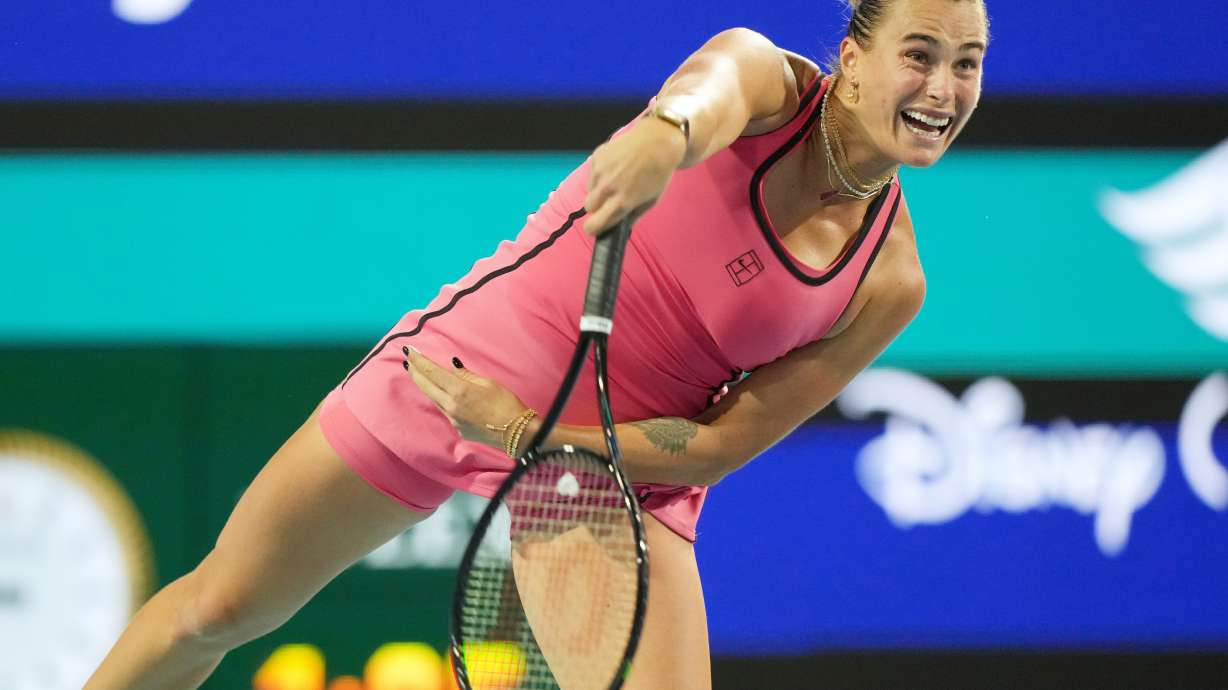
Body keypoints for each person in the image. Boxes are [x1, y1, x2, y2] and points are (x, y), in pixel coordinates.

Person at [85, 0, 989, 688]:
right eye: (920, 55)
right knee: (220, 606)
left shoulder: (888, 282)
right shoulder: (764, 83)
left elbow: (715, 446)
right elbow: (704, 97)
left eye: (968, 64)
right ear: (853, 56)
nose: (943, 90)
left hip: (608, 470)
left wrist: (522, 434)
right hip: (462, 367)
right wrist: (665, 136)